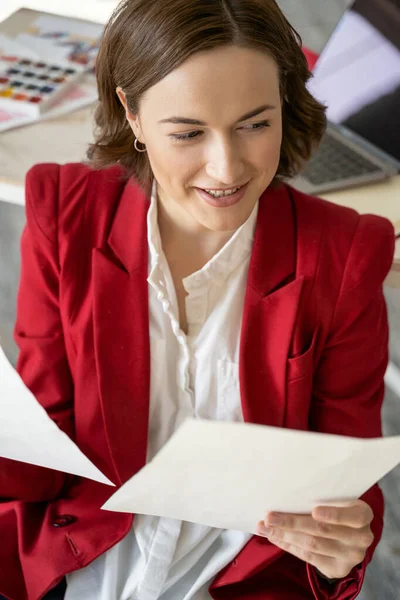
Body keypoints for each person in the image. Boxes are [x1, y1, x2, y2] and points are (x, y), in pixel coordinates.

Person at [0, 0, 395, 598]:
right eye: (187, 132)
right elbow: (47, 437)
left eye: (255, 124)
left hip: (236, 579)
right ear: (131, 113)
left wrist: (340, 547)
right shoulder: (64, 211)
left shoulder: (346, 254)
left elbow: (346, 483)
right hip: (77, 559)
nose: (227, 167)